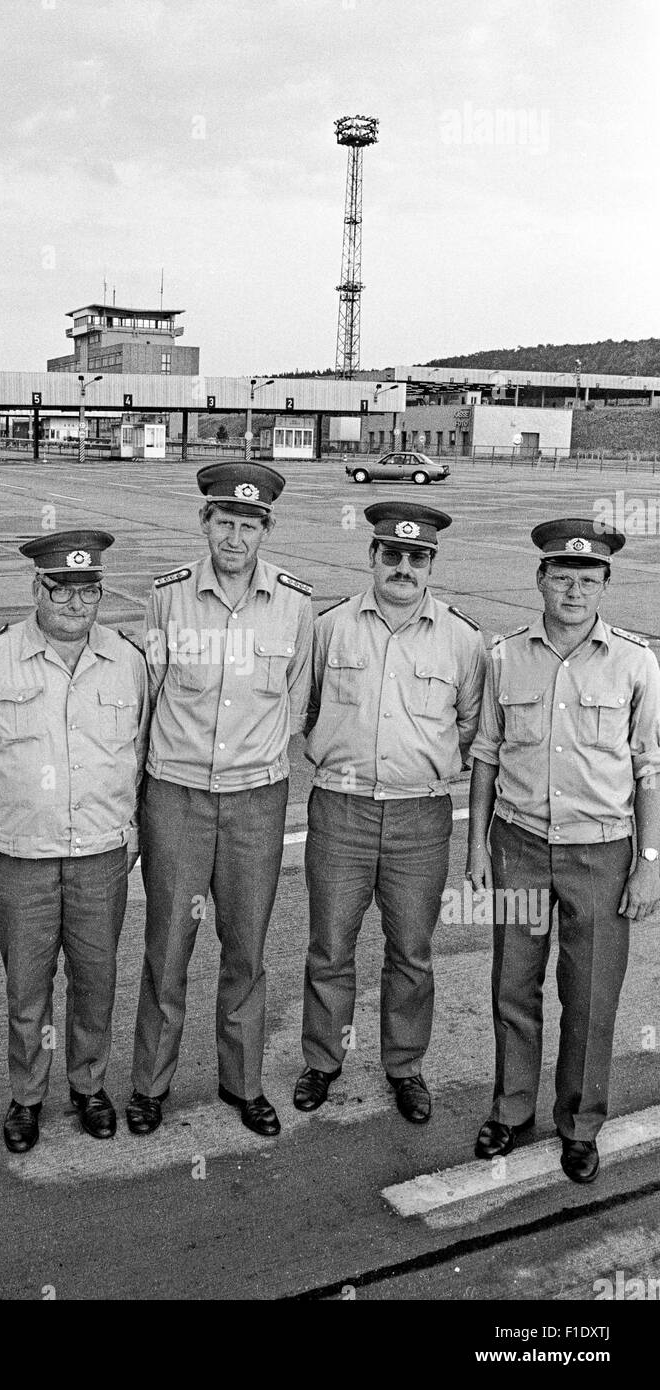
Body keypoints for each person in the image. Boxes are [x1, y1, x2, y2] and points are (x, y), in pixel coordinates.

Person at [467, 518, 660, 1183]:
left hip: (601, 854)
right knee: (512, 986)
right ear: (540, 580)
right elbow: (486, 757)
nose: (574, 590)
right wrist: (475, 851)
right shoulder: (504, 655)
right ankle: (512, 1108)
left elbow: (649, 770)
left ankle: (580, 1124)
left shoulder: (636, 661)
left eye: (588, 578)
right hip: (518, 845)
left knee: (590, 997)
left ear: (606, 584)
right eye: (562, 577)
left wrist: (649, 864)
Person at [127, 462, 313, 1138]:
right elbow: (148, 694)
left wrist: (257, 765)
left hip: (255, 803)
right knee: (167, 949)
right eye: (224, 521)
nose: (235, 535)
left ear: (267, 529)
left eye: (249, 524)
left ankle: (242, 1084)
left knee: (247, 950)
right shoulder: (168, 596)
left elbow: (296, 701)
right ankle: (150, 1085)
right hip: (175, 797)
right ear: (204, 523)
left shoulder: (296, 603)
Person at [0, 530, 149, 1150]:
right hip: (23, 857)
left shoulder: (127, 661)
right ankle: (26, 1097)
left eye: (87, 592)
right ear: (38, 588)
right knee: (27, 989)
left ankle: (89, 1086)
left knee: (96, 980)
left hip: (99, 856)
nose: (74, 604)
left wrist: (131, 837)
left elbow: (141, 759)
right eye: (61, 590)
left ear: (100, 595)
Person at [294, 501, 486, 1122]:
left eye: (417, 557)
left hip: (420, 820)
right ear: (371, 556)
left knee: (411, 950)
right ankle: (323, 1061)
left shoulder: (463, 639)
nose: (404, 566)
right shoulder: (329, 628)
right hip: (340, 811)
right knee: (330, 945)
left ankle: (405, 1066)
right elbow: (308, 708)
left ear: (431, 564)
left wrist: (417, 765)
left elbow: (471, 728)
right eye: (392, 555)